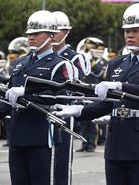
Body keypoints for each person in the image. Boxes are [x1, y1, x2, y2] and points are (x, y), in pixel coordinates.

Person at [54, 3, 139, 185]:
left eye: (136, 30)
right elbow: (107, 104)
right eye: (127, 31)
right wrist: (80, 111)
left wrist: (120, 86)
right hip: (116, 144)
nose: (130, 35)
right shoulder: (116, 64)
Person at [0, 10, 72, 185]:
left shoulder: (60, 64)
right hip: (17, 136)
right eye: (29, 33)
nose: (31, 37)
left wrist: (27, 92)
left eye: (36, 33)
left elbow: (59, 97)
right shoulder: (19, 63)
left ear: (50, 35)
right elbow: (9, 99)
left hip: (41, 136)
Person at [51, 11, 90, 185]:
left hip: (65, 110)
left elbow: (77, 84)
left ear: (66, 32)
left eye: (57, 30)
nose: (52, 35)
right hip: (42, 110)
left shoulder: (75, 58)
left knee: (62, 160)